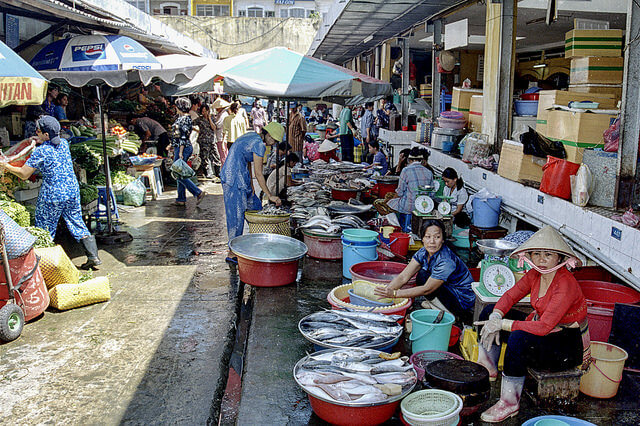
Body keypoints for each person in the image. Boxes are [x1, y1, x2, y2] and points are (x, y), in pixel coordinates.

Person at [474, 226, 589, 423]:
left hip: (566, 346)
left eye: (548, 254)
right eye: (537, 253)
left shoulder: (565, 284)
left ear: (560, 258)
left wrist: (503, 324)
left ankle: (509, 403)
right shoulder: (535, 274)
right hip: (545, 332)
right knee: (487, 312)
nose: (542, 259)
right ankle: (487, 370)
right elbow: (511, 295)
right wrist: (496, 316)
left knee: (518, 339)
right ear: (530, 256)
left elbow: (544, 327)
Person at [0, 116, 101, 269]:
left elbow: (23, 173)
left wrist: (5, 165)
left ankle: (44, 266)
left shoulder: (41, 151)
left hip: (53, 195)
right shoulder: (64, 144)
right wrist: (41, 139)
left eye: (38, 131)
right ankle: (93, 256)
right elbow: (52, 145)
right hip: (71, 191)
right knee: (76, 222)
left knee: (45, 229)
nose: (36, 132)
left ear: (46, 134)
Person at [375, 219, 475, 321]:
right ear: (422, 239)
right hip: (447, 290)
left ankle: (450, 314)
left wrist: (395, 294)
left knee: (425, 282)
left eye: (437, 237)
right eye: (428, 237)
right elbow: (403, 277)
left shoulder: (446, 261)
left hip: (462, 302)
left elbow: (427, 289)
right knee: (422, 275)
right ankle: (436, 305)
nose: (432, 241)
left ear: (443, 239)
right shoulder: (423, 252)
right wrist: (386, 293)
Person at [221, 122, 284, 263]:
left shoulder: (252, 136)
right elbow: (259, 173)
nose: (272, 144)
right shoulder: (259, 145)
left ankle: (258, 241)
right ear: (267, 134)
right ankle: (232, 253)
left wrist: (250, 184)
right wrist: (270, 195)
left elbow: (248, 161)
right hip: (233, 179)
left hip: (242, 177)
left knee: (256, 207)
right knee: (236, 216)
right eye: (273, 140)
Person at [171, 97, 206, 206]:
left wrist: (180, 151)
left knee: (177, 173)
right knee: (180, 171)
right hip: (181, 147)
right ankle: (181, 198)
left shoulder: (183, 119)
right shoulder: (184, 118)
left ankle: (197, 192)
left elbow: (183, 136)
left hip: (183, 148)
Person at [392, 147, 433, 232]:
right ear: (421, 160)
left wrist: (391, 200)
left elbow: (400, 192)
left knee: (406, 231)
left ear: (409, 160)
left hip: (408, 209)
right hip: (424, 208)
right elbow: (432, 194)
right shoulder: (429, 172)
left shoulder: (406, 170)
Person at [193, 104, 221, 180]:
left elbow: (214, 128)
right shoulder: (199, 119)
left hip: (211, 140)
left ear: (208, 111)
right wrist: (198, 130)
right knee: (205, 157)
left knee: (216, 156)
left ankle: (218, 173)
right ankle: (208, 173)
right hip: (203, 140)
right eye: (202, 111)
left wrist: (209, 118)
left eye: (205, 111)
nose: (204, 112)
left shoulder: (212, 118)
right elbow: (192, 124)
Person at [212, 97, 230, 164]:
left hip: (221, 137)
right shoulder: (221, 114)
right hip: (220, 136)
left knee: (223, 155)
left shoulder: (223, 115)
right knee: (223, 155)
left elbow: (218, 125)